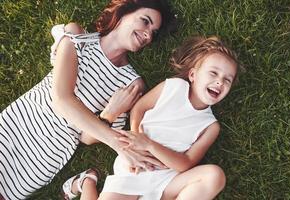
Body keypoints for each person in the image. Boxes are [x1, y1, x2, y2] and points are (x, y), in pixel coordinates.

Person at [0, 0, 176, 199]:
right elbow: (61, 98)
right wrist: (117, 143)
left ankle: (82, 181)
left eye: (153, 32)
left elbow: (85, 138)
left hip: (45, 156)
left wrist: (109, 114)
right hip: (14, 126)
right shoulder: (78, 37)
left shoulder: (132, 84)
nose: (147, 34)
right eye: (145, 21)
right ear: (124, 12)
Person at [66, 36, 239, 200]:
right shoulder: (173, 87)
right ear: (193, 75)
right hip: (134, 170)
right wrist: (137, 140)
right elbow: (139, 108)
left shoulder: (210, 126)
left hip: (166, 181)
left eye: (227, 80)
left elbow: (186, 163)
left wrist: (150, 145)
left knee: (214, 176)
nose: (220, 82)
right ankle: (87, 181)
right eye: (213, 73)